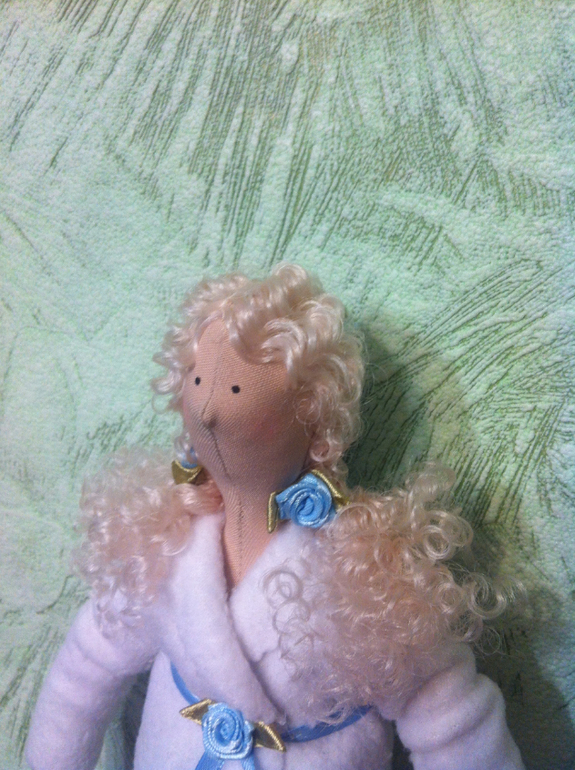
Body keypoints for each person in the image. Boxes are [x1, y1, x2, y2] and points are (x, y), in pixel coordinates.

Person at [25, 264, 524, 770]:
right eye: (197, 380)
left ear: (314, 417)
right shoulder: (160, 546)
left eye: (236, 390)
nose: (208, 410)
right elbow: (83, 674)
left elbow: (451, 720)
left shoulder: (364, 580)